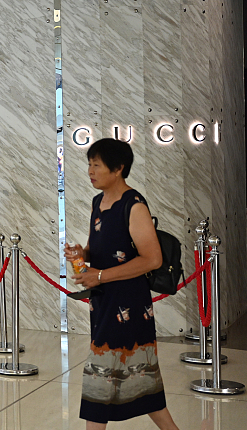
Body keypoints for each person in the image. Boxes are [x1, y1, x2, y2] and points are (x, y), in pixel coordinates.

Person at [65, 139, 178, 430]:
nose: (90, 170)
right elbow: (98, 248)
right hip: (103, 301)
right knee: (142, 381)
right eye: (89, 163)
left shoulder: (134, 205)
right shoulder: (98, 202)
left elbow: (152, 259)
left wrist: (100, 276)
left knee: (99, 376)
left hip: (128, 302)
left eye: (96, 165)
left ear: (118, 169)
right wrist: (82, 254)